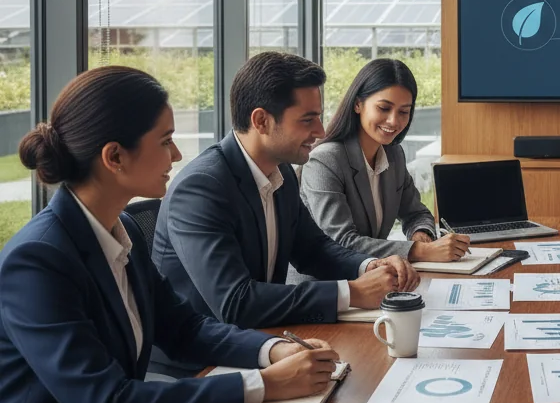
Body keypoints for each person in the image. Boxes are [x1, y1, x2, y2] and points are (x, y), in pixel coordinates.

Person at [0, 67, 340, 403]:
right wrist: (265, 385)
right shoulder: (38, 260)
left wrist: (275, 349)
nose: (177, 154)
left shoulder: (119, 233)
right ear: (114, 157)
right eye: (165, 141)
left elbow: (184, 327)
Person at [151, 53, 417, 357]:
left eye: (318, 116)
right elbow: (236, 303)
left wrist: (370, 266)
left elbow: (312, 249)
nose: (320, 131)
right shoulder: (201, 187)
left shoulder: (280, 172)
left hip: (269, 341)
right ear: (261, 121)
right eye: (308, 119)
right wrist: (352, 292)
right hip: (204, 365)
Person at [301, 58, 470, 262]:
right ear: (358, 104)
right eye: (383, 108)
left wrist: (421, 235)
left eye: (403, 112)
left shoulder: (394, 154)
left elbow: (415, 213)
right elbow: (342, 241)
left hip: (375, 276)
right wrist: (421, 251)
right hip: (327, 284)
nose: (394, 121)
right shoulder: (325, 161)